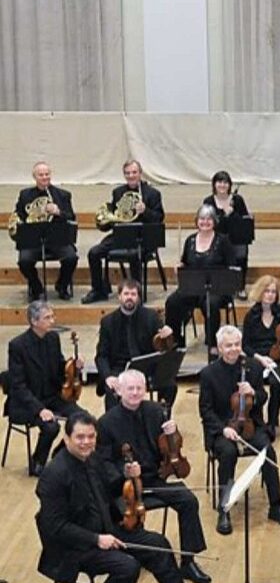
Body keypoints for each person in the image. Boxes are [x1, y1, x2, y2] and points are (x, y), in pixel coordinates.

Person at [35, 413, 221, 583]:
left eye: (91, 436)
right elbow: (55, 527)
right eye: (80, 437)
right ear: (66, 439)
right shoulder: (53, 475)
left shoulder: (93, 459)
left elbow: (108, 492)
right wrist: (96, 539)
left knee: (158, 544)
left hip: (107, 529)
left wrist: (127, 476)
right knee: (127, 566)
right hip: (74, 547)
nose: (86, 442)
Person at [96, 370, 211, 583]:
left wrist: (173, 434)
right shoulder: (106, 423)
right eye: (130, 388)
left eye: (139, 388)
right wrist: (125, 472)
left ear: (146, 390)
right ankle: (135, 555)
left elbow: (169, 448)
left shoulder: (156, 411)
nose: (135, 392)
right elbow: (103, 463)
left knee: (188, 500)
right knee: (122, 513)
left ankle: (188, 561)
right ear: (119, 391)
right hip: (124, 488)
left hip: (154, 479)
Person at [199, 326, 280, 535]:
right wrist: (223, 429)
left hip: (251, 424)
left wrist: (254, 392)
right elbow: (206, 411)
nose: (233, 349)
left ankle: (276, 506)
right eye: (228, 345)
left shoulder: (251, 367)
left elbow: (263, 398)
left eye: (236, 344)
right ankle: (224, 508)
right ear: (219, 348)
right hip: (223, 429)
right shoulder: (208, 374)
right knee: (228, 452)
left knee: (268, 452)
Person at [5, 301, 84, 476]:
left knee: (83, 418)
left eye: (52, 316)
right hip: (26, 403)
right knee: (51, 427)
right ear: (34, 321)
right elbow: (18, 386)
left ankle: (59, 455)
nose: (52, 321)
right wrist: (40, 409)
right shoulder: (17, 346)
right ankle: (38, 462)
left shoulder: (52, 339)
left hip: (51, 396)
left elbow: (58, 367)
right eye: (47, 317)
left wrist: (73, 366)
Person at [82, 159, 165, 304]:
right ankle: (99, 290)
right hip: (121, 236)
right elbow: (115, 216)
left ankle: (135, 292)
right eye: (127, 173)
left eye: (134, 172)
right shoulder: (118, 192)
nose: (131, 176)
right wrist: (108, 221)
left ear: (140, 173)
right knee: (93, 253)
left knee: (134, 255)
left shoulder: (152, 194)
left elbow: (158, 219)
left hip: (143, 237)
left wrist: (145, 211)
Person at [95, 279, 177, 411]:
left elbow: (165, 347)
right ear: (119, 296)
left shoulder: (151, 317)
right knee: (111, 391)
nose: (129, 298)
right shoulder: (108, 322)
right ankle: (115, 428)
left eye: (133, 294)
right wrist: (108, 377)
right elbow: (101, 356)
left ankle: (162, 419)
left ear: (138, 298)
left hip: (146, 366)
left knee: (170, 385)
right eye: (126, 294)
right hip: (120, 368)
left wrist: (168, 336)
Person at [163, 205, 236, 349]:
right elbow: (184, 262)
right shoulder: (190, 240)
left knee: (211, 304)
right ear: (197, 221)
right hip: (193, 287)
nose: (205, 222)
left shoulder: (223, 241)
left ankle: (213, 343)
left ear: (214, 221)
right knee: (172, 302)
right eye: (202, 219)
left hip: (217, 288)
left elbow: (232, 267)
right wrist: (179, 267)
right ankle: (175, 340)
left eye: (209, 219)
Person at [242, 275, 280, 432]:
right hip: (257, 358)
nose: (270, 295)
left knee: (277, 382)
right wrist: (260, 358)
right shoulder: (251, 316)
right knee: (253, 381)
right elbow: (245, 345)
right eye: (267, 291)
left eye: (273, 292)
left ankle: (272, 421)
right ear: (260, 293)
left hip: (278, 357)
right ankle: (256, 419)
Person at [13, 161, 77, 301]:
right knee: (24, 261)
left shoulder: (63, 195)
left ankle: (61, 285)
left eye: (47, 174)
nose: (44, 177)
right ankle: (36, 287)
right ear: (34, 177)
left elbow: (71, 217)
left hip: (57, 239)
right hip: (33, 240)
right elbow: (19, 215)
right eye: (41, 175)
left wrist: (58, 211)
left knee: (71, 258)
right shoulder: (25, 195)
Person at [202, 170, 252, 299]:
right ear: (214, 185)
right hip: (216, 239)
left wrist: (232, 213)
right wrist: (223, 215)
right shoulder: (208, 201)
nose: (222, 185)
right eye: (219, 182)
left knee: (241, 252)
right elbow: (207, 222)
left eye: (225, 182)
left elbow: (244, 221)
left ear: (229, 185)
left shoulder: (237, 200)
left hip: (236, 238)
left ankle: (240, 286)